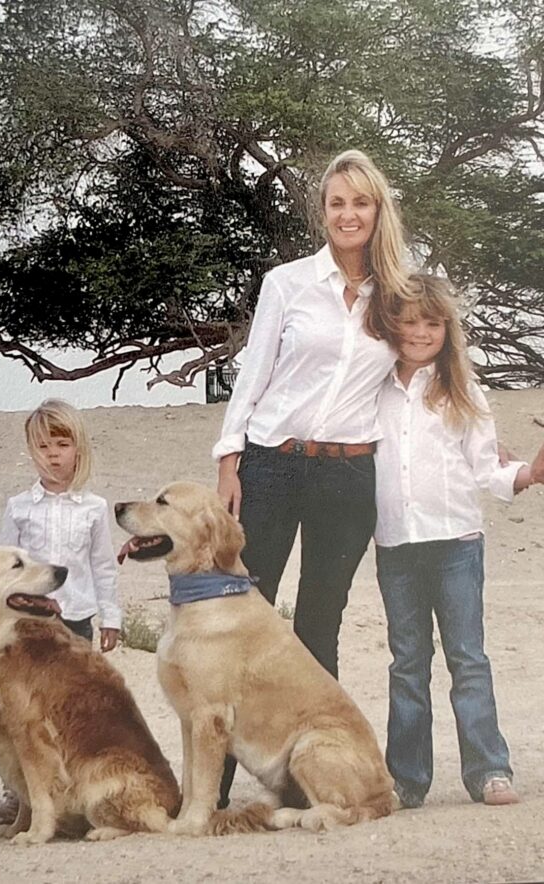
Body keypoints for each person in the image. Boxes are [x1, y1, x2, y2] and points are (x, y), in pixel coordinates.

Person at [212, 149, 412, 806]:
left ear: (377, 210)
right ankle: (212, 787)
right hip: (272, 467)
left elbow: (421, 385)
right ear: (323, 213)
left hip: (348, 479)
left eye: (361, 202)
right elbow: (252, 378)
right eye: (337, 203)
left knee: (319, 624)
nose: (348, 214)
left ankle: (308, 782)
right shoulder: (287, 283)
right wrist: (229, 460)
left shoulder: (401, 295)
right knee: (247, 623)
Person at [374, 274, 544, 809]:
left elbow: (486, 467)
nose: (420, 332)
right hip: (395, 545)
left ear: (447, 330)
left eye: (431, 323)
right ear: (390, 327)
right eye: (408, 322)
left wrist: (530, 474)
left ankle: (489, 770)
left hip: (456, 544)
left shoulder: (463, 390)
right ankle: (406, 779)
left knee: (468, 658)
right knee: (407, 662)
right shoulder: (373, 388)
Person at [0, 399, 122, 651]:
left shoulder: (94, 508)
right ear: (31, 450)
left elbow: (103, 567)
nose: (52, 453)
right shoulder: (19, 507)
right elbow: (2, 567)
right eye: (43, 446)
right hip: (28, 618)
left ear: (78, 449)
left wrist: (110, 617)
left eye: (62, 445)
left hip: (76, 617)